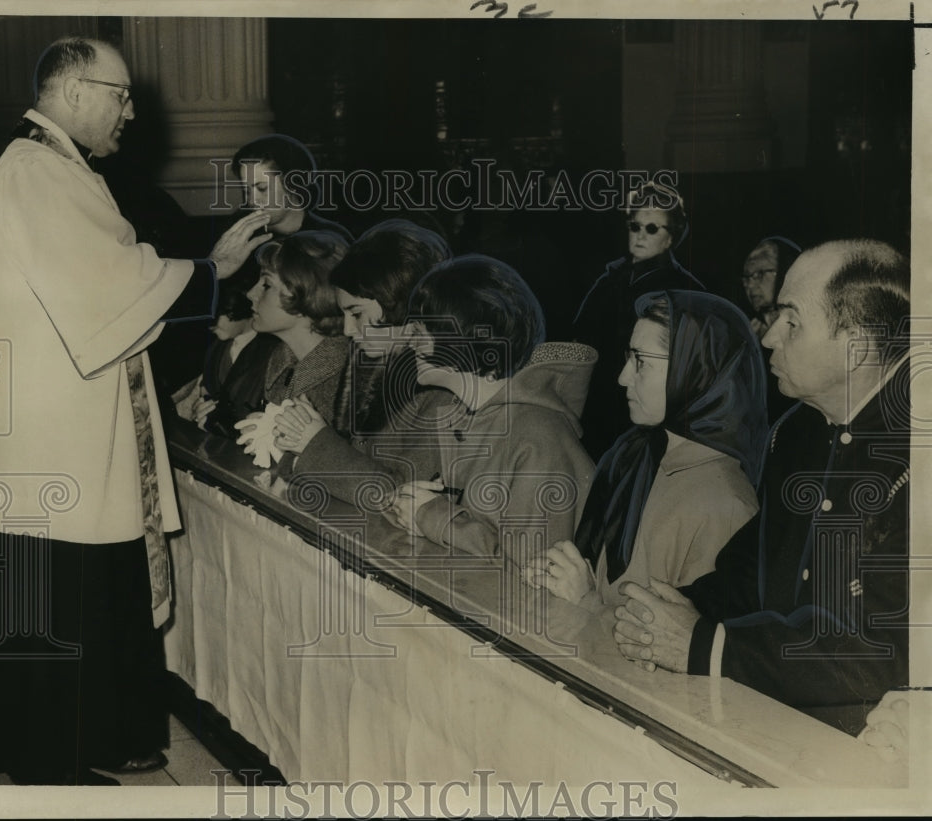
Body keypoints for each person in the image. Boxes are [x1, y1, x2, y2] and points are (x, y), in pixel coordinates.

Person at [0, 37, 272, 785]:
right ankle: (45, 762)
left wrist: (191, 270)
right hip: (49, 428)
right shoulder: (38, 172)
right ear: (69, 91)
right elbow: (107, 284)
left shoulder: (49, 167)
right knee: (57, 585)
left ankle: (13, 740)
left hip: (44, 420)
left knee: (44, 586)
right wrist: (211, 272)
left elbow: (110, 276)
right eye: (118, 94)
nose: (130, 110)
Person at [613, 239, 910, 737]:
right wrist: (661, 612)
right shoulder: (796, 432)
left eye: (791, 321)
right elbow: (749, 575)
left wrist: (705, 645)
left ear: (856, 342)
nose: (769, 338)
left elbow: (880, 655)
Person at [524, 291, 767, 623]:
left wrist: (586, 602)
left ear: (693, 370)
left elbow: (679, 654)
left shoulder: (724, 503)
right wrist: (561, 578)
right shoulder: (634, 456)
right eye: (629, 357)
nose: (623, 377)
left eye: (641, 361)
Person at [385, 255, 597, 557]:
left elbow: (533, 573)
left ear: (462, 339)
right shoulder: (467, 416)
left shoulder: (539, 437)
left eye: (419, 332)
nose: (408, 342)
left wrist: (432, 517)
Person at [270, 219, 462, 507]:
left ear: (398, 303)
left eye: (357, 314)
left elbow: (402, 497)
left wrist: (314, 442)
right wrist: (297, 444)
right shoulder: (371, 363)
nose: (348, 330)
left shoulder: (443, 386)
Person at [571, 181, 705, 460]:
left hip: (650, 413)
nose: (640, 235)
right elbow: (579, 340)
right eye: (635, 226)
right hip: (598, 407)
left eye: (652, 228)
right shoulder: (609, 281)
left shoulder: (685, 290)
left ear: (671, 237)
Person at [234, 230, 352, 464]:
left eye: (266, 284)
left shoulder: (348, 376)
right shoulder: (282, 361)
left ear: (305, 295)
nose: (250, 294)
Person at [173, 277, 281, 436]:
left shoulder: (273, 352)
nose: (211, 325)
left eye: (220, 315)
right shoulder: (216, 347)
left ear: (244, 310)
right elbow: (207, 391)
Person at [740, 236, 801, 340]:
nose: (749, 285)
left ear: (784, 274)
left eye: (759, 274)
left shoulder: (802, 324)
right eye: (746, 278)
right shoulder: (748, 330)